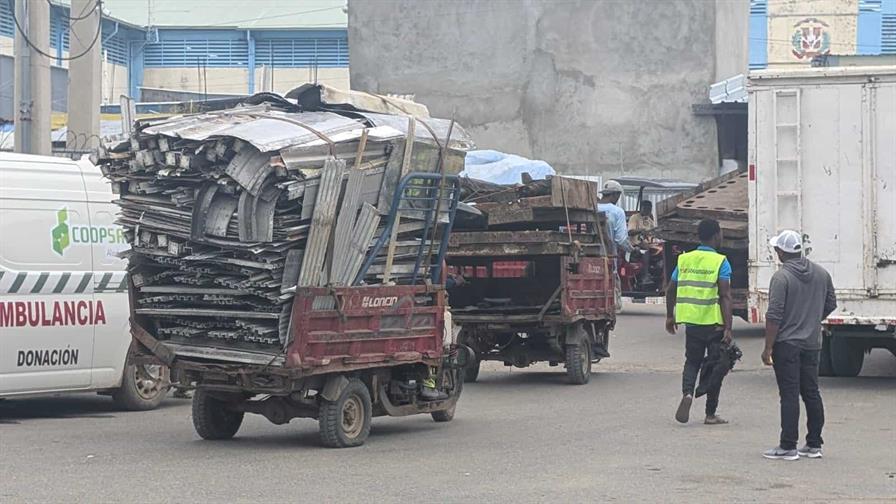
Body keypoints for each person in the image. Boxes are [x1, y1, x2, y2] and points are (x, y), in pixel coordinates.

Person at [761, 230, 837, 461]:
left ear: (782, 252)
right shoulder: (821, 274)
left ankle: (788, 446)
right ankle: (814, 444)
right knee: (811, 393)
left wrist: (768, 348)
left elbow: (774, 315)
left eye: (777, 250)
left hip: (787, 344)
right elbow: (831, 303)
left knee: (789, 394)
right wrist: (813, 318)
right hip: (812, 343)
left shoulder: (781, 278)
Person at [665, 218, 733, 425]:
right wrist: (728, 327)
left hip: (692, 323)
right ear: (715, 235)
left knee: (692, 361)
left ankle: (687, 393)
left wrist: (670, 315)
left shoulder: (685, 260)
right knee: (714, 366)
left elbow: (670, 289)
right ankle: (710, 413)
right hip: (714, 324)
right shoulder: (720, 261)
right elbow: (725, 296)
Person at [597, 180, 633, 310]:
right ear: (615, 195)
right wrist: (632, 250)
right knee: (611, 285)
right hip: (608, 256)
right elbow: (621, 239)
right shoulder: (617, 212)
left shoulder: (591, 207)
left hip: (587, 255)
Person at [628, 200, 656, 286]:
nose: (648, 211)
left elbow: (654, 232)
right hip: (635, 245)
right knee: (646, 251)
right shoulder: (635, 218)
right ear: (641, 208)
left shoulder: (650, 220)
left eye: (650, 209)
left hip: (649, 244)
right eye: (646, 208)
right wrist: (641, 231)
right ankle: (645, 276)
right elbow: (630, 232)